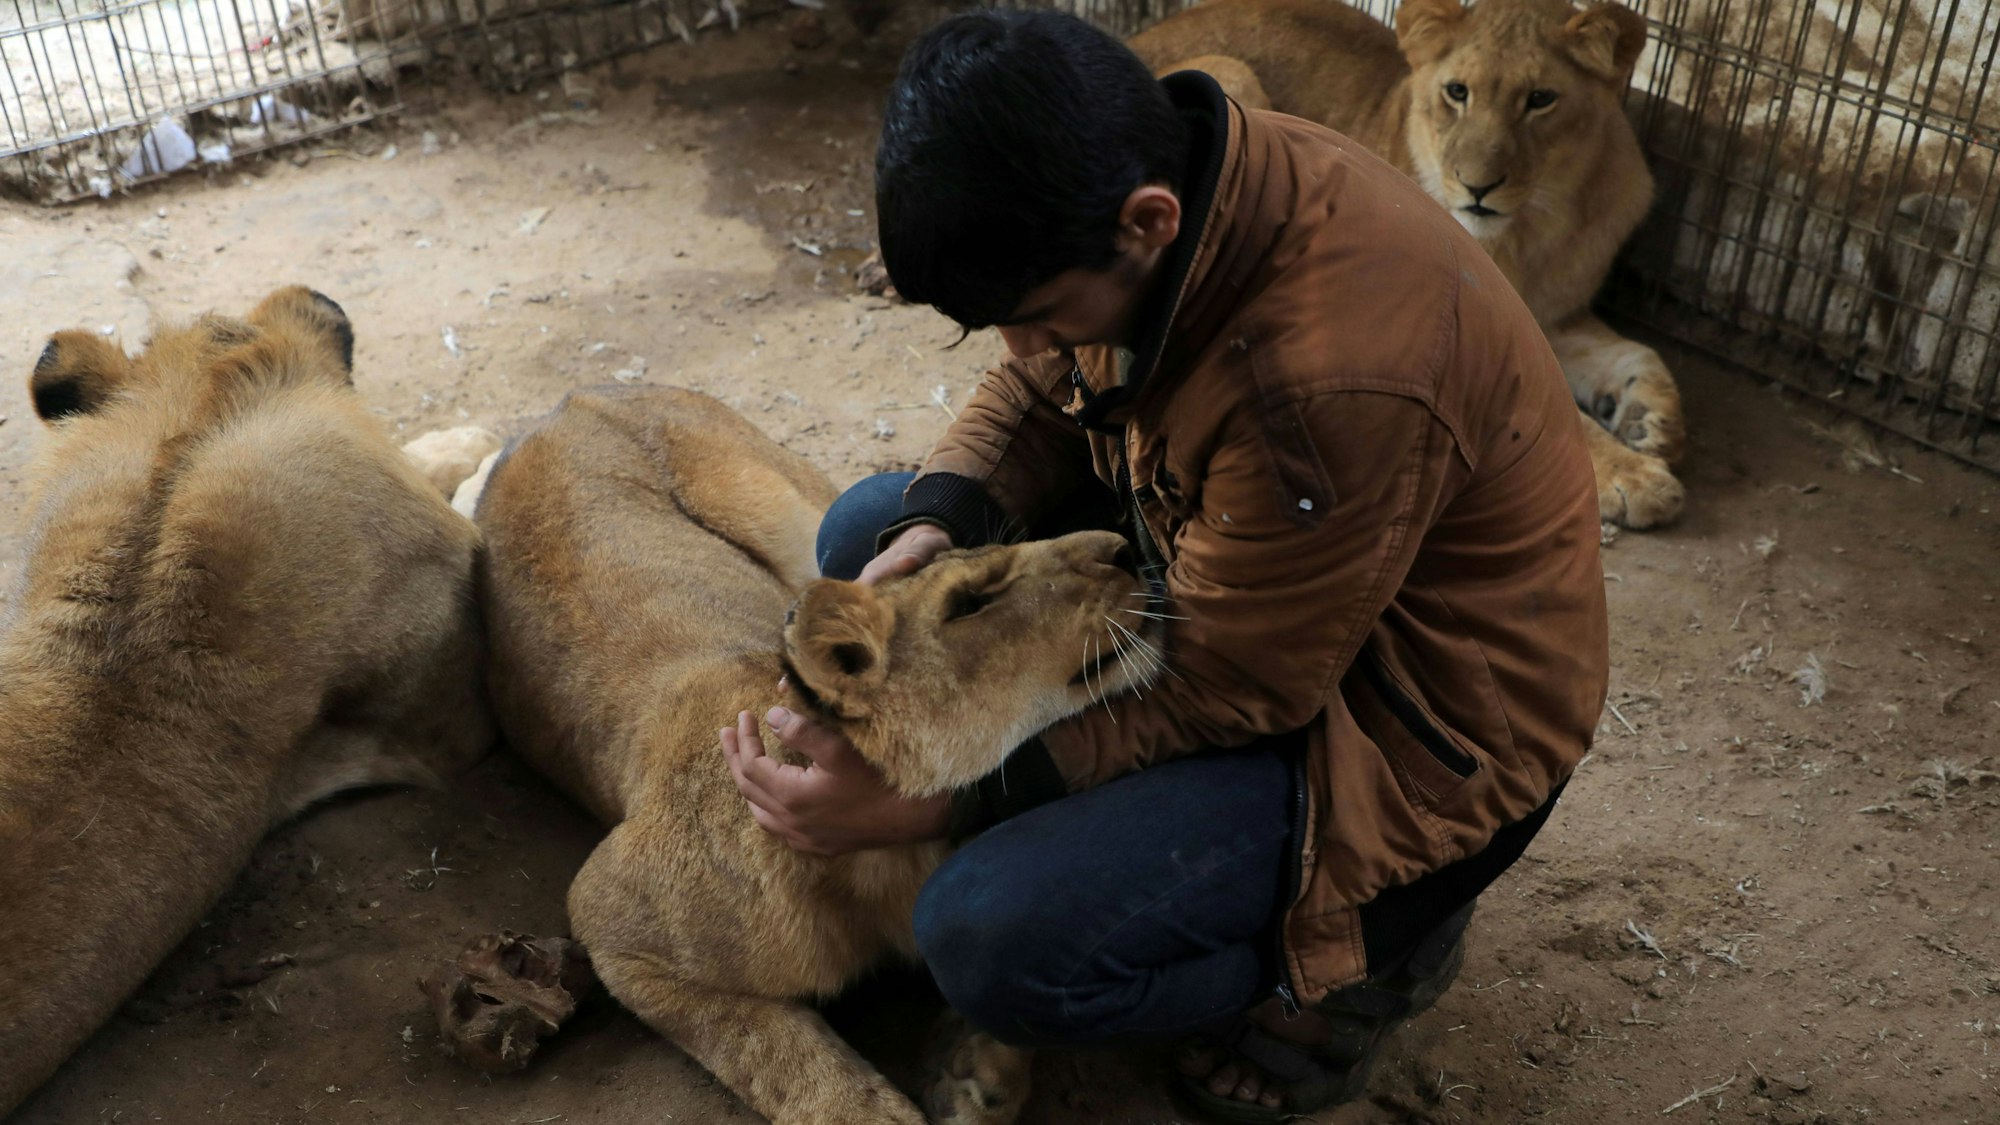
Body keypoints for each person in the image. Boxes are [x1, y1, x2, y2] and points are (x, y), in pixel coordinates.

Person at [718, 8, 1609, 1120]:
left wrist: (931, 807)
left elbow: (1235, 684)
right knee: (869, 534)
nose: (1023, 347)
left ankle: (1369, 946)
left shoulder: (1322, 387)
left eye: (1033, 312)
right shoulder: (1168, 177)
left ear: (1146, 222)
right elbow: (1047, 378)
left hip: (1407, 723)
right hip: (1262, 563)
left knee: (992, 939)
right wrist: (941, 523)